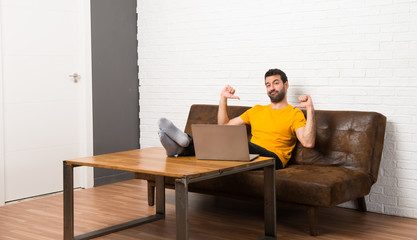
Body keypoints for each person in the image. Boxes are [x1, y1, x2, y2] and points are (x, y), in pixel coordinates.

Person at [158, 68, 316, 169]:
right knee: (227, 139)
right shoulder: (257, 110)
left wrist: (310, 108)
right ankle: (182, 146)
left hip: (274, 160)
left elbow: (308, 142)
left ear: (286, 85)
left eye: (276, 83)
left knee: (240, 143)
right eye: (268, 85)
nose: (272, 88)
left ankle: (185, 143)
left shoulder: (294, 113)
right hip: (251, 156)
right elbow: (225, 126)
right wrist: (223, 98)